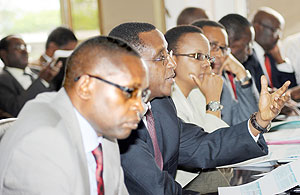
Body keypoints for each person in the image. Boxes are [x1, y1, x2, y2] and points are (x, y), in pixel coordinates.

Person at [109, 22, 290, 195]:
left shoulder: (160, 105)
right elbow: (157, 189)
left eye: (169, 54)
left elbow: (202, 146)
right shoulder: (117, 121)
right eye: (162, 57)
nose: (172, 64)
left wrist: (259, 121)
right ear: (130, 65)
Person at [0, 36, 149, 195]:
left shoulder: (105, 134)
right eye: (129, 92)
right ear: (85, 87)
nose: (140, 106)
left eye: (143, 95)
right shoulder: (42, 142)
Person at [192, 20, 259, 126]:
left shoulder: (221, 82)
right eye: (213, 46)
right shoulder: (185, 88)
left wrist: (242, 74)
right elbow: (209, 140)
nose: (219, 54)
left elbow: (248, 125)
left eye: (223, 48)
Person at [166, 25, 228, 133]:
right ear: (172, 59)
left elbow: (224, 139)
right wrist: (213, 101)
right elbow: (209, 146)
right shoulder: (167, 103)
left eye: (207, 57)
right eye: (197, 56)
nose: (206, 64)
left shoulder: (197, 93)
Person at [0, 35, 62, 117]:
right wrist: (42, 81)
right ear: (3, 54)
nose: (25, 51)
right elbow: (16, 110)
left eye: (25, 47)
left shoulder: (40, 71)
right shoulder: (2, 80)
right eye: (19, 47)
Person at [244, 7, 297, 90]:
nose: (279, 37)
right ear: (257, 27)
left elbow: (290, 88)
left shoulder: (270, 56)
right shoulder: (246, 55)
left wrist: (281, 61)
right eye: (275, 31)